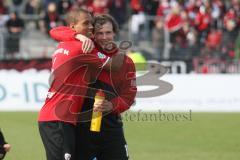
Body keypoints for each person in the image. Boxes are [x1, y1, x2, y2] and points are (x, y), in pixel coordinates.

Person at [38, 8, 124, 160]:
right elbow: (114, 65)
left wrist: (77, 35)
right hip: (59, 119)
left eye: (91, 23)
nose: (90, 27)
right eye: (86, 23)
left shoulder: (65, 43)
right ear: (72, 26)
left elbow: (54, 31)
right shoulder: (83, 48)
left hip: (57, 117)